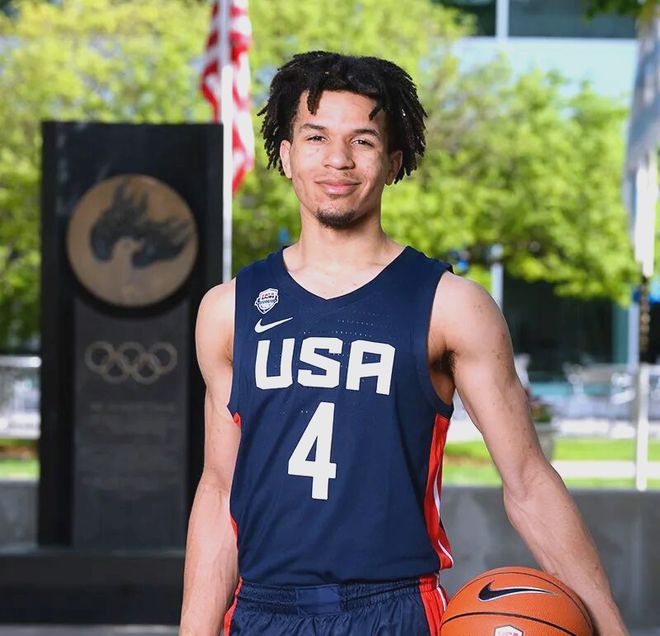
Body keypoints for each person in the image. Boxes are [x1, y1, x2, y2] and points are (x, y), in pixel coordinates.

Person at [179, 51, 627, 636]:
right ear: (285, 156)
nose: (337, 159)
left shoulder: (450, 306)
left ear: (393, 162)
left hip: (394, 611)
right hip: (261, 612)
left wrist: (612, 628)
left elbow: (528, 482)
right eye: (316, 137)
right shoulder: (229, 309)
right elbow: (219, 493)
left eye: (362, 141)